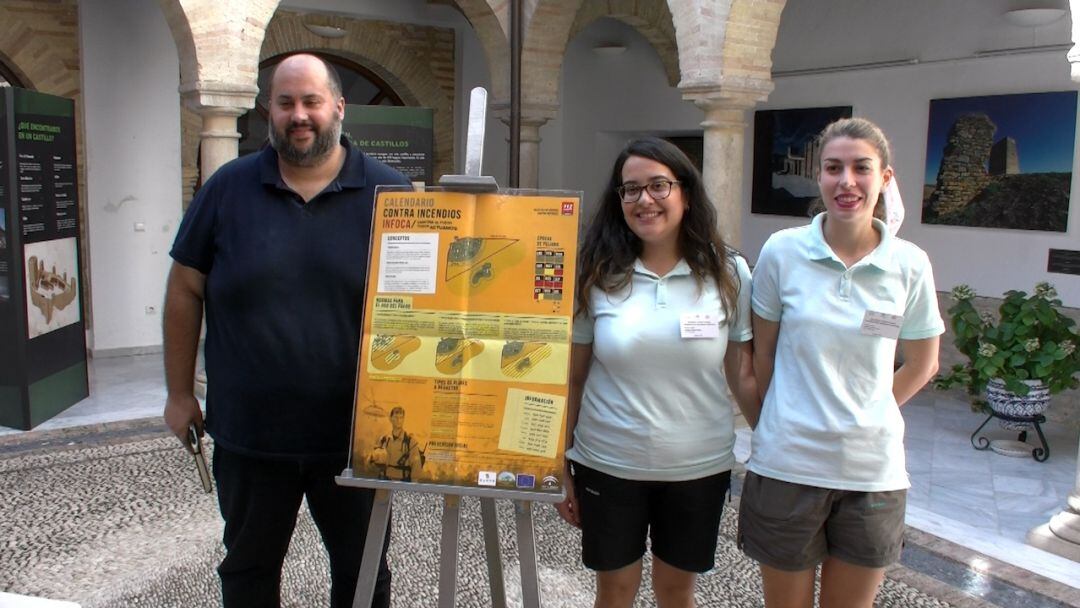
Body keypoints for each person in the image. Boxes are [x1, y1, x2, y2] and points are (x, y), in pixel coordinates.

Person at [162, 53, 410, 608]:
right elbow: (184, 289)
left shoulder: (392, 195)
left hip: (354, 439)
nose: (299, 115)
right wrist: (179, 394)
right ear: (267, 110)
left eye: (311, 102)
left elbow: (423, 308)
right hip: (251, 436)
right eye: (285, 102)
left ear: (339, 108)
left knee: (363, 576)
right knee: (248, 571)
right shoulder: (227, 189)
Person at [741, 117, 943, 608]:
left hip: (871, 473)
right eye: (833, 168)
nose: (846, 181)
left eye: (861, 168)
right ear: (819, 176)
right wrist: (774, 419)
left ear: (885, 178)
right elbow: (761, 352)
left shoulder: (909, 264)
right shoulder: (783, 252)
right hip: (789, 464)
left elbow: (923, 363)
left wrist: (871, 410)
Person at [555, 137, 757, 608]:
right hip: (609, 461)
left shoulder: (729, 274)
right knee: (615, 593)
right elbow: (574, 378)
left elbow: (742, 373)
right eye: (630, 190)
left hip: (699, 467)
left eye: (659, 186)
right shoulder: (597, 273)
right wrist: (560, 462)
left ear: (686, 193)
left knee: (676, 593)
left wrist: (774, 449)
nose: (644, 200)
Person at [373, 406, 423, 481]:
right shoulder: (384, 440)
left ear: (403, 419)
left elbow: (416, 465)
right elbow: (374, 460)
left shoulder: (411, 442)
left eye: (401, 417)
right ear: (390, 419)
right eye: (396, 417)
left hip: (403, 481)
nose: (398, 420)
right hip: (385, 479)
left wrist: (413, 485)